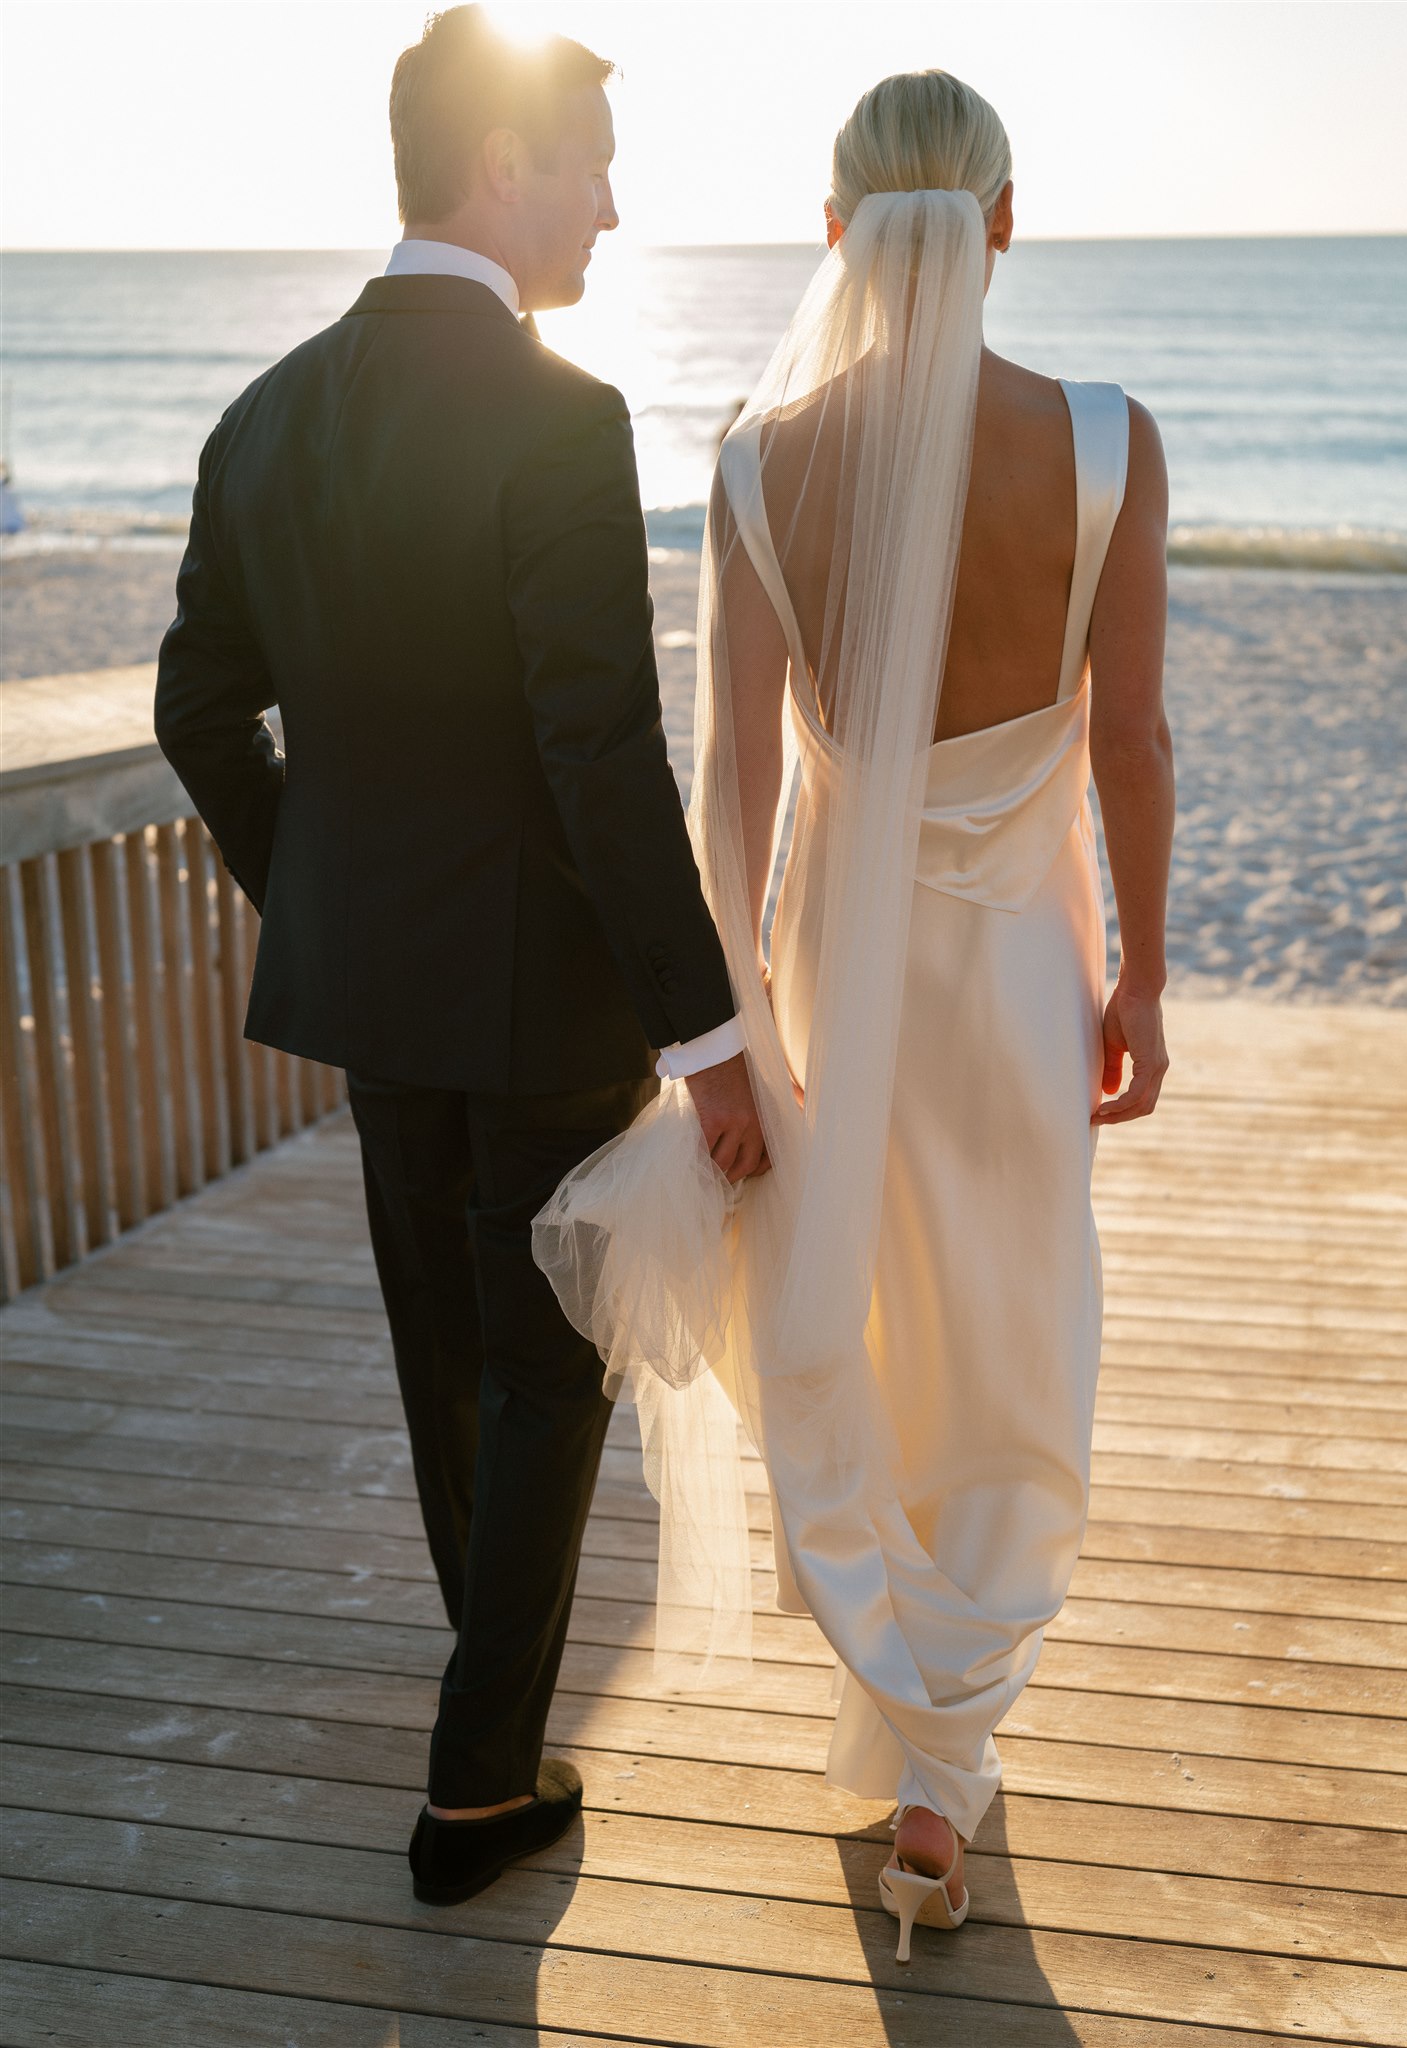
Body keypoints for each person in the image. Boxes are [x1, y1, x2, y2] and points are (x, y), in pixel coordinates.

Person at [534, 70, 1173, 1964]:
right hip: (1015, 980)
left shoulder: (755, 459)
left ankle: (915, 1732)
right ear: (999, 220)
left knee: (862, 1323)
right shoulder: (1104, 439)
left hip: (825, 962)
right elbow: (1127, 737)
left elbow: (726, 783)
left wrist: (730, 1022)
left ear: (832, 232)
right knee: (1006, 1328)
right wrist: (1141, 969)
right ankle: (941, 1765)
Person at [153, 7, 768, 1907]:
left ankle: (493, 1743)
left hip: (378, 999)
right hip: (545, 1008)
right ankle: (482, 1779)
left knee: (454, 1372)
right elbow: (600, 747)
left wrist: (316, 891)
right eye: (588, 160)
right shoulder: (561, 418)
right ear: (500, 166)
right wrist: (710, 1031)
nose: (610, 201)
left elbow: (200, 708)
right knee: (545, 1379)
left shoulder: (262, 417)